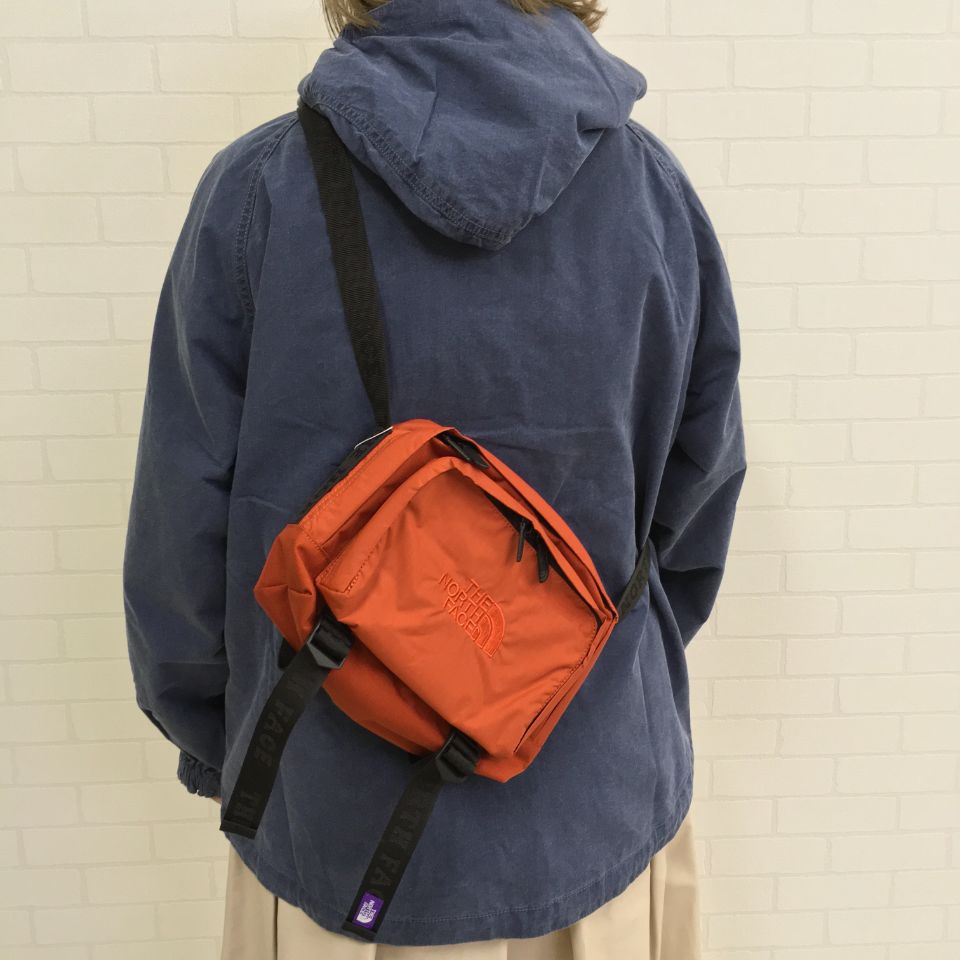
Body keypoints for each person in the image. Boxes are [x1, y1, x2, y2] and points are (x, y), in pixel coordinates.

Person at [123, 0, 746, 956]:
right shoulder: (655, 195)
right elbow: (697, 495)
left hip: (332, 818)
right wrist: (576, 676)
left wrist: (234, 743)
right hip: (594, 808)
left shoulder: (259, 191)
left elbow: (181, 533)